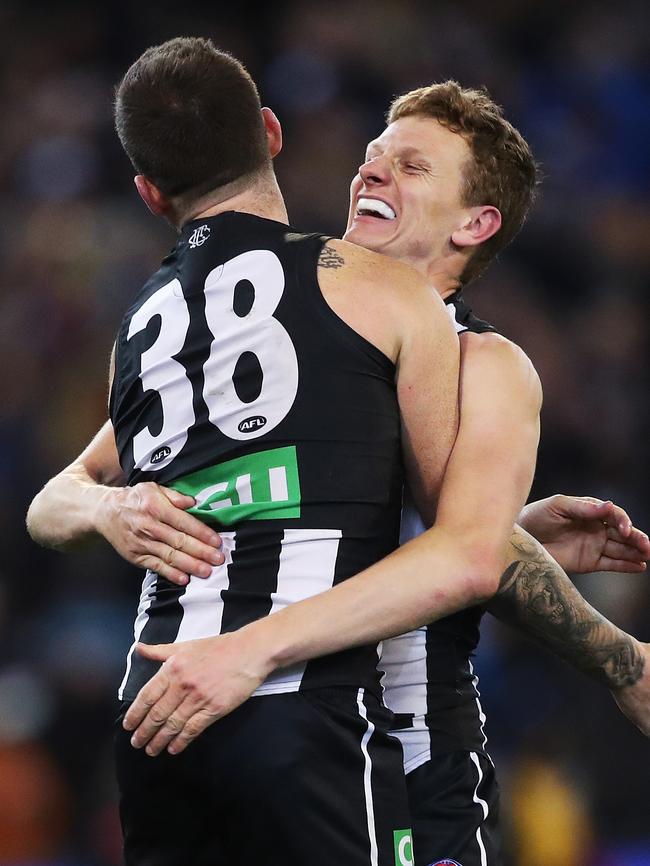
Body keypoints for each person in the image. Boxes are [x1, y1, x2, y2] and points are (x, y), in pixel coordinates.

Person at [27, 44, 650, 866]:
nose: (373, 174)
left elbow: (460, 554)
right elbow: (64, 490)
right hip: (275, 723)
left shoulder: (483, 364)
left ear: (474, 223)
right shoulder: (274, 322)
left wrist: (594, 630)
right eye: (372, 157)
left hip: (411, 762)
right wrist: (114, 505)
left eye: (411, 166)